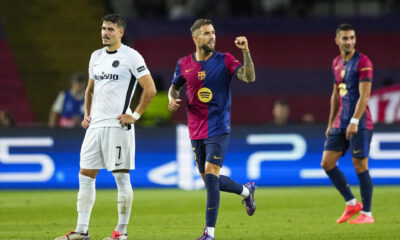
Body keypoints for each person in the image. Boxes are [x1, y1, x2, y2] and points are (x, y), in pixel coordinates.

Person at [55, 14, 156, 240]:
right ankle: (81, 230)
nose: (105, 32)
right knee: (85, 175)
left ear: (121, 32)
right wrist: (87, 114)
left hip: (118, 126)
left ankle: (121, 232)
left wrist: (135, 115)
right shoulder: (96, 56)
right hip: (96, 127)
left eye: (110, 29)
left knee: (121, 177)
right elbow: (90, 89)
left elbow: (149, 89)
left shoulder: (131, 56)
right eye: (103, 28)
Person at [168, 19, 256, 240]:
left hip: (218, 127)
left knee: (210, 176)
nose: (212, 37)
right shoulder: (184, 63)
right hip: (195, 129)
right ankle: (246, 192)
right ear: (196, 38)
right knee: (209, 179)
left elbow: (249, 77)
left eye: (213, 33)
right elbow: (174, 87)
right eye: (207, 33)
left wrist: (245, 51)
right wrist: (172, 99)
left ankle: (210, 233)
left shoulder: (225, 60)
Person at [321, 23, 374, 224]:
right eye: (345, 38)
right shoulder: (336, 62)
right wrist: (330, 122)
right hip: (340, 122)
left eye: (352, 37)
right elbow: (335, 95)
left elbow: (365, 95)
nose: (349, 41)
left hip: (360, 123)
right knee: (327, 163)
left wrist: (354, 120)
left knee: (360, 165)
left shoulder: (364, 62)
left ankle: (367, 214)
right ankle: (352, 203)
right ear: (337, 40)